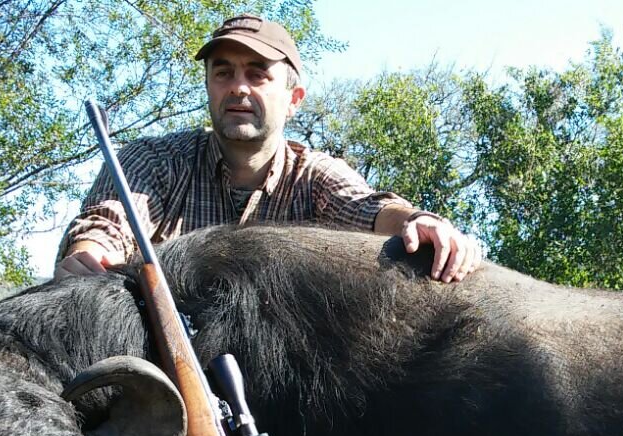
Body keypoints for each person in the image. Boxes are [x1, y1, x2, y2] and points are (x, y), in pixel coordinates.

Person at [57, 13, 482, 283]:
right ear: (208, 88)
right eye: (223, 73)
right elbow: (107, 225)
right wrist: (88, 257)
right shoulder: (154, 162)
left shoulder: (313, 174)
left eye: (257, 74)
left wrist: (421, 221)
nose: (238, 87)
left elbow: (368, 208)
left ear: (294, 100)